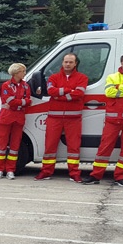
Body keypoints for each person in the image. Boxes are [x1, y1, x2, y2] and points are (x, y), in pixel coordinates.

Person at [83, 52, 123, 187]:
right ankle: (95, 175)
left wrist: (119, 87)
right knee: (104, 147)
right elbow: (109, 92)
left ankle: (121, 176)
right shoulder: (112, 76)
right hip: (113, 119)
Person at [36, 53, 88, 182]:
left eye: (71, 62)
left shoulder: (82, 78)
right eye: (66, 62)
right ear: (62, 63)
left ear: (75, 63)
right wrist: (68, 91)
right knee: (50, 146)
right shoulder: (53, 77)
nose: (68, 64)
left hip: (74, 118)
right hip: (54, 117)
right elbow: (50, 91)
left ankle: (74, 173)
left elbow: (79, 94)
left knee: (74, 147)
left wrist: (60, 94)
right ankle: (46, 171)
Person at [0, 63, 32, 180]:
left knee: (15, 146)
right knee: (2, 146)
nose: (24, 73)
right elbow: (9, 101)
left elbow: (29, 100)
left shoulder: (26, 86)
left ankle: (11, 170)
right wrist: (22, 102)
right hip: (6, 117)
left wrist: (19, 102)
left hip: (19, 118)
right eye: (23, 71)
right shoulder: (6, 85)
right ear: (16, 73)